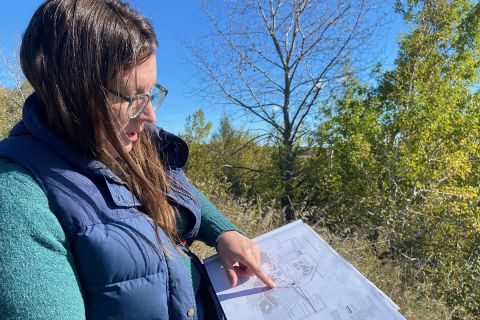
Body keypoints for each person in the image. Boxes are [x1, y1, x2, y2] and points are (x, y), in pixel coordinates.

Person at [0, 0, 275, 319]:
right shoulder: (18, 199)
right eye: (130, 97)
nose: (149, 114)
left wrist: (224, 233)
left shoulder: (133, 141)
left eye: (150, 92)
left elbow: (177, 191)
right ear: (71, 94)